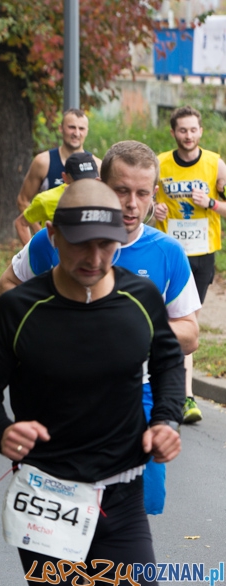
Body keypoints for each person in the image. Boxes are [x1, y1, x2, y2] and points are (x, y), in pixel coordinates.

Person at [0, 180, 184, 586]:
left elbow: (168, 362)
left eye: (107, 244)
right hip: (47, 497)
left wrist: (165, 419)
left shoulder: (141, 298)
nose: (95, 258)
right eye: (82, 244)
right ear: (53, 235)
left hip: (122, 495)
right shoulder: (18, 309)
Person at [0, 141, 201, 516]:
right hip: (63, 395)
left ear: (154, 193)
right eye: (122, 190)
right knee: (63, 505)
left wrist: (131, 332)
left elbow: (190, 333)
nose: (132, 204)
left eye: (142, 193)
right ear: (102, 187)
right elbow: (7, 285)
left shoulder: (167, 252)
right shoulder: (56, 239)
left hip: (138, 394)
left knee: (138, 505)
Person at [152, 106, 226, 425]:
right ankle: (177, 392)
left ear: (201, 131)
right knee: (169, 320)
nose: (188, 135)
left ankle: (182, 394)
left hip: (201, 255)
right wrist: (153, 209)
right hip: (168, 253)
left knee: (186, 322)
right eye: (182, 130)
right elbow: (140, 203)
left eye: (193, 130)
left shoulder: (215, 164)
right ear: (173, 132)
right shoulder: (159, 163)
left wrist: (210, 203)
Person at [15, 109, 100, 242]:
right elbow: (23, 200)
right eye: (71, 127)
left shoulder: (98, 165)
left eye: (81, 128)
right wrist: (40, 235)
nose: (76, 133)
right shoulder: (43, 162)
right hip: (52, 243)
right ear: (61, 128)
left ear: (87, 131)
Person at [13, 151, 99, 244]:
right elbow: (21, 223)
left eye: (91, 180)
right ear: (65, 178)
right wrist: (35, 251)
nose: (86, 186)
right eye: (79, 182)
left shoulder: (103, 198)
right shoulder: (46, 200)